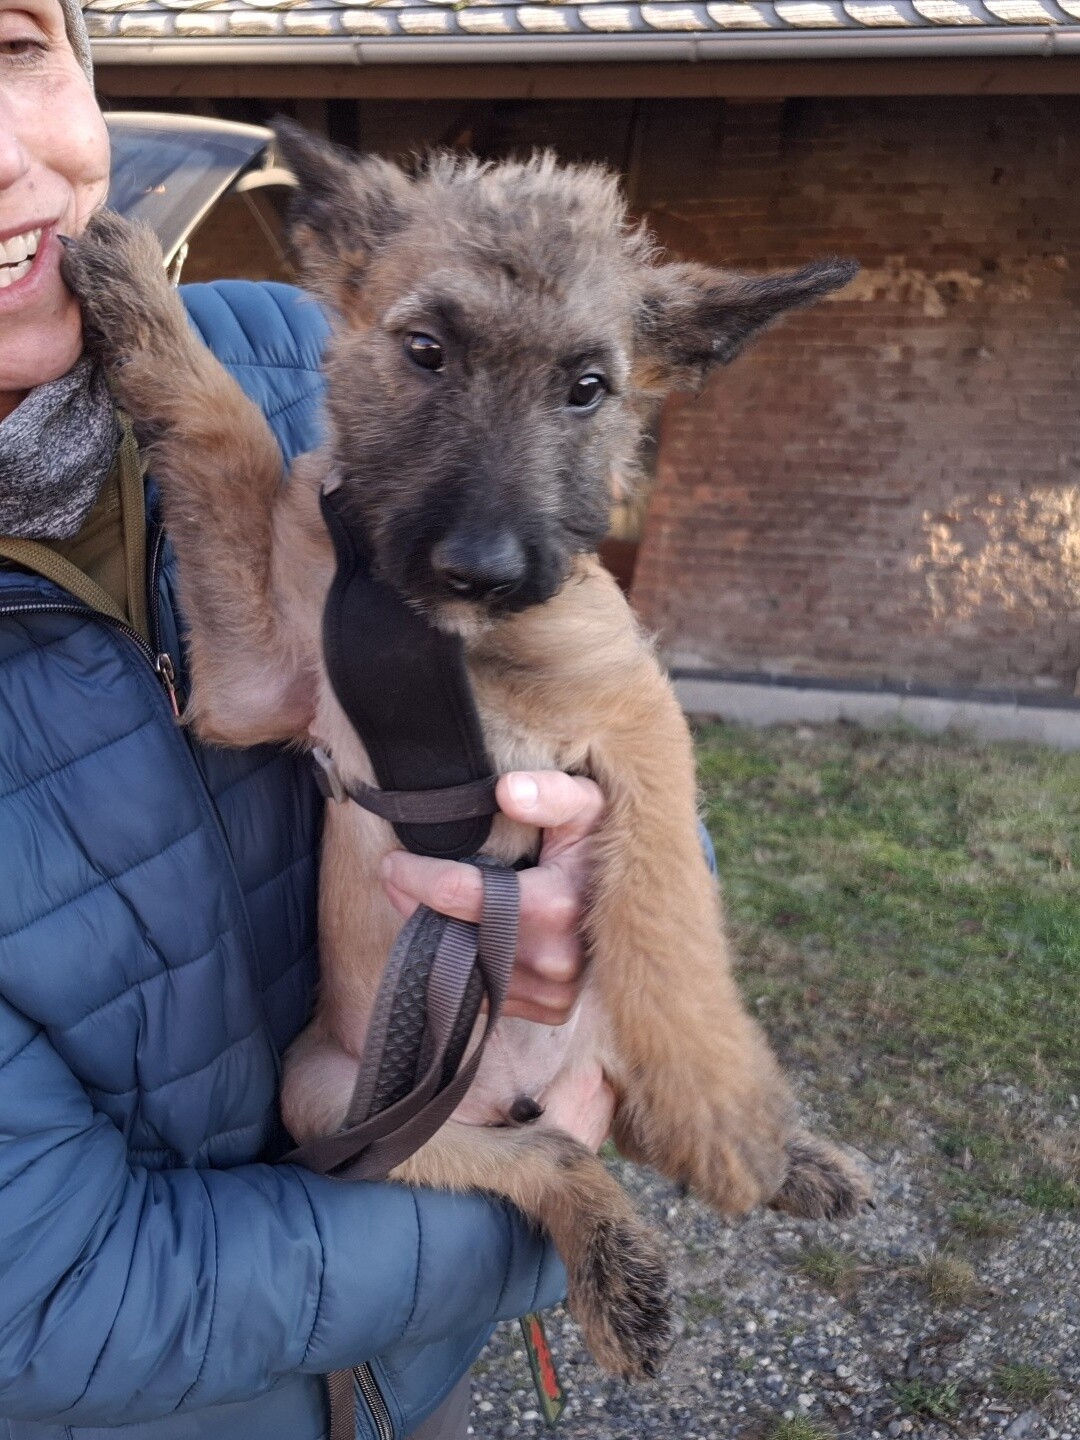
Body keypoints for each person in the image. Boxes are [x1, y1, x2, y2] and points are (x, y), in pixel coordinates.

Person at [0, 3, 616, 1436]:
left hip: (412, 1391)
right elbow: (56, 1301)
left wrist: (600, 892)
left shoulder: (309, 360)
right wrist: (547, 1207)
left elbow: (582, 682)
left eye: (15, 45)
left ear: (88, 68)